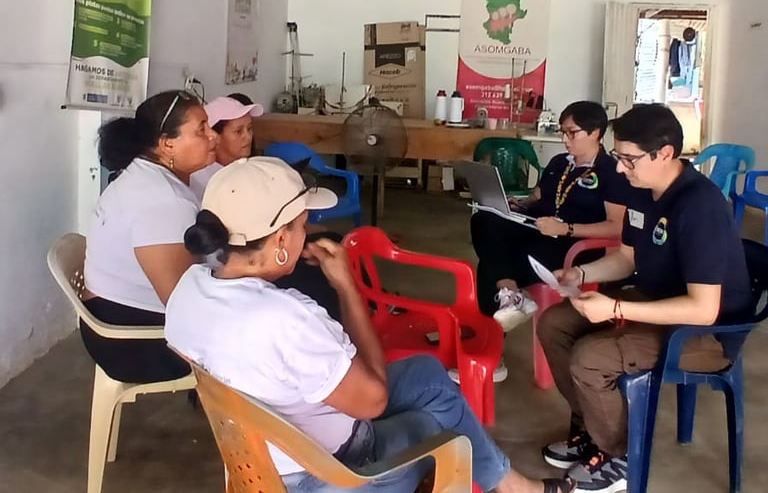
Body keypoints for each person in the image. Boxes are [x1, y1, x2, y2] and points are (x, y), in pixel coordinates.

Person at [164, 157, 574, 493]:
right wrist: (347, 286)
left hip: (254, 458)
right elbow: (373, 400)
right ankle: (499, 483)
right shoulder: (287, 317)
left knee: (426, 373)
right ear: (281, 241)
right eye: (303, 225)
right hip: (330, 473)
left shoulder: (190, 287)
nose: (308, 232)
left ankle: (512, 485)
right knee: (442, 430)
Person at [537, 104, 752, 493]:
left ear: (665, 153)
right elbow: (627, 258)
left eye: (628, 159)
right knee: (555, 323)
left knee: (590, 356)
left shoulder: (699, 206)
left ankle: (620, 457)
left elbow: (704, 309)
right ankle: (592, 430)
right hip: (657, 300)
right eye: (618, 157)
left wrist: (615, 307)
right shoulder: (642, 192)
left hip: (706, 332)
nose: (620, 169)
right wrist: (582, 274)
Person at [82, 90, 217, 383]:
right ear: (167, 143)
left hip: (109, 320)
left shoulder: (144, 173)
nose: (213, 136)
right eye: (201, 130)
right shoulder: (164, 199)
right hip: (131, 342)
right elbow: (182, 304)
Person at [471, 101, 631, 334]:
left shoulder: (611, 172)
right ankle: (511, 294)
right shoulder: (559, 162)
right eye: (562, 132)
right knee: (484, 220)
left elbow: (616, 227)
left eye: (572, 133)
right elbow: (538, 195)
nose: (565, 139)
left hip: (572, 242)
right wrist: (520, 204)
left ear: (595, 132)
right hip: (537, 227)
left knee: (495, 262)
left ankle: (496, 324)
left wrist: (566, 228)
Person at [191, 93, 344, 322]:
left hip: (257, 254)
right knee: (321, 276)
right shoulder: (214, 182)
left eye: (249, 129)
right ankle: (346, 319)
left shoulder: (246, 170)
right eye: (238, 131)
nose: (247, 137)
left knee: (332, 241)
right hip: (245, 261)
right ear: (215, 136)